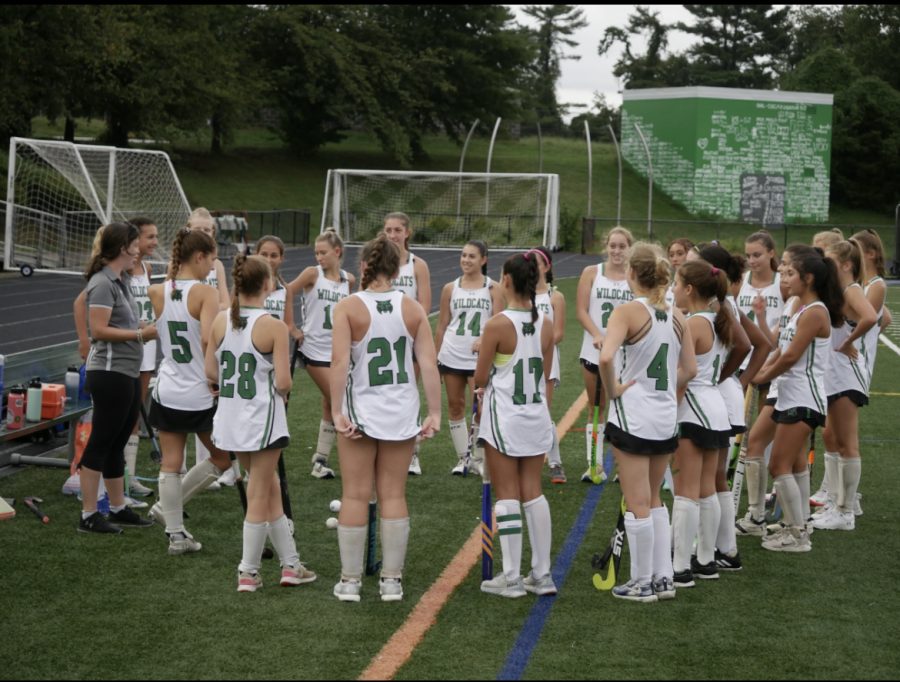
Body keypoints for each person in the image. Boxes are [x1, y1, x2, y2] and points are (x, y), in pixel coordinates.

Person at [329, 234, 441, 602]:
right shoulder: (412, 308)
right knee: (394, 494)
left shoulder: (348, 307)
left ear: (364, 266)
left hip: (361, 411)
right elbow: (427, 363)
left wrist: (335, 411)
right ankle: (391, 581)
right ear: (397, 269)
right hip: (400, 411)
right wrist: (435, 411)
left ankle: (350, 581)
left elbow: (340, 363)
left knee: (355, 495)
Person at [206, 253, 316, 592]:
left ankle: (291, 565)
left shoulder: (222, 321)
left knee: (268, 490)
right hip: (262, 418)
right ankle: (248, 571)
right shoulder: (272, 325)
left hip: (232, 416)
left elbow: (211, 371)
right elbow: (284, 382)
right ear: (267, 284)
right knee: (259, 493)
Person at [599, 242, 696, 603]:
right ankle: (663, 578)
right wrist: (668, 388)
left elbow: (606, 357)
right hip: (665, 416)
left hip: (634, 415)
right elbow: (690, 369)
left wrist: (614, 390)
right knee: (654, 498)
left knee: (636, 499)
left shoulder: (626, 312)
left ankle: (641, 583)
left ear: (632, 274)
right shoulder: (677, 316)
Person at [475, 252, 557, 598]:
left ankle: (510, 577)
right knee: (533, 492)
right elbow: (545, 373)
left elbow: (480, 377)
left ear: (507, 280)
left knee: (506, 494)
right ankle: (541, 574)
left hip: (505, 416)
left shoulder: (497, 324)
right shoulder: (546, 323)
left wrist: (481, 349)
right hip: (535, 415)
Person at [751, 247, 843, 553]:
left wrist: (761, 378)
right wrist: (760, 370)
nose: (784, 277)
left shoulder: (816, 311)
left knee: (779, 464)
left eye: (791, 273)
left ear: (809, 278)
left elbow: (791, 356)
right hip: (792, 395)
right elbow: (779, 349)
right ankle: (799, 522)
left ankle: (797, 533)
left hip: (804, 398)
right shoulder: (801, 309)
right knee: (794, 462)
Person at [147, 228, 233, 555]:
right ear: (199, 257)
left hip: (168, 387)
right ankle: (170, 512)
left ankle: (175, 533)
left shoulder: (158, 290)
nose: (212, 267)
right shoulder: (205, 293)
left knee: (170, 462)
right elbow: (210, 341)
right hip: (199, 390)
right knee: (222, 458)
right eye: (211, 259)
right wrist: (219, 380)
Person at [670, 260, 748, 587]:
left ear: (690, 289)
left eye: (676, 283)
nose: (673, 288)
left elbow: (683, 373)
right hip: (716, 408)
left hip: (695, 408)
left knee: (686, 490)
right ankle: (705, 560)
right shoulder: (717, 319)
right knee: (707, 488)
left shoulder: (694, 324)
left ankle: (680, 566)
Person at [696, 243, 772, 570]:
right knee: (715, 477)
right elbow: (762, 344)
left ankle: (717, 549)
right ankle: (724, 547)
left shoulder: (719, 304)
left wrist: (732, 378)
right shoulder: (721, 302)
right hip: (722, 396)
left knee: (710, 476)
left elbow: (753, 344)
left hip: (716, 395)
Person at [77, 222, 157, 533]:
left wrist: (139, 326)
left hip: (124, 371)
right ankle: (88, 514)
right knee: (101, 441)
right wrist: (139, 333)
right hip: (109, 372)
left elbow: (116, 322)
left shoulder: (119, 280)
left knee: (118, 440)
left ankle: (118, 506)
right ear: (123, 248)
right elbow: (98, 330)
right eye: (135, 244)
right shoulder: (102, 282)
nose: (139, 249)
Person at [811, 240, 876, 532]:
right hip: (833, 374)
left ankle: (846, 510)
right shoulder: (838, 291)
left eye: (832, 261)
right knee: (833, 436)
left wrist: (850, 341)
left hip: (847, 375)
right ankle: (836, 501)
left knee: (847, 441)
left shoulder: (851, 289)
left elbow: (872, 317)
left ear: (847, 265)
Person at [287, 228, 356, 479]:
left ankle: (320, 461)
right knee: (341, 403)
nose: (318, 257)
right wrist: (291, 327)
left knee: (330, 404)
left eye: (323, 252)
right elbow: (287, 292)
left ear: (337, 252)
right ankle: (354, 461)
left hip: (338, 352)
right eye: (316, 252)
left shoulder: (349, 280)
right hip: (313, 350)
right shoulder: (311, 274)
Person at [434, 240, 503, 476]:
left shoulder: (494, 288)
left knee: (482, 409)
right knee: (455, 406)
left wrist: (485, 340)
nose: (466, 260)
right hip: (452, 354)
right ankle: (463, 458)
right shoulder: (450, 288)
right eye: (463, 255)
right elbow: (442, 325)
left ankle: (479, 457)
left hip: (479, 360)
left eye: (472, 256)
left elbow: (500, 323)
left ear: (483, 260)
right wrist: (436, 359)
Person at [576, 226, 634, 483]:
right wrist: (597, 335)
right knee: (595, 407)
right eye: (613, 246)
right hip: (594, 348)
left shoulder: (634, 276)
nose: (617, 251)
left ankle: (625, 465)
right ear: (606, 246)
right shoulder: (591, 273)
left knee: (624, 408)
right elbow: (581, 310)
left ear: (629, 248)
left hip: (625, 352)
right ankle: (595, 464)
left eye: (622, 246)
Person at [186, 208, 233, 488]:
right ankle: (194, 466)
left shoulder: (217, 266)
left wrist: (212, 308)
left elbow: (226, 301)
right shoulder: (179, 264)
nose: (204, 234)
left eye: (208, 230)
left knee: (219, 400)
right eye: (199, 229)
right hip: (193, 339)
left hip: (216, 336)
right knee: (197, 401)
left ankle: (219, 462)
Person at [383, 212, 431, 475]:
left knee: (409, 394)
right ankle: (384, 445)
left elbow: (424, 305)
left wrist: (409, 328)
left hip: (409, 340)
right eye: (388, 230)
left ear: (407, 232)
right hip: (382, 339)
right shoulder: (375, 261)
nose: (392, 235)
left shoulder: (417, 264)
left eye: (397, 230)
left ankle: (412, 453)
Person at [532, 246, 567, 483]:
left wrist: (537, 346)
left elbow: (559, 333)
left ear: (547, 266)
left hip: (546, 359)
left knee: (543, 411)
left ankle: (555, 462)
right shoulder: (519, 294)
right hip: (521, 361)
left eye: (536, 262)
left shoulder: (555, 297)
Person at [254, 235, 299, 334]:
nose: (268, 260)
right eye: (264, 254)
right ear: (256, 254)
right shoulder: (246, 284)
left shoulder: (285, 290)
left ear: (281, 258)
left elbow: (289, 325)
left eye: (273, 256)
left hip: (275, 346)